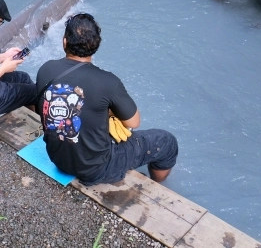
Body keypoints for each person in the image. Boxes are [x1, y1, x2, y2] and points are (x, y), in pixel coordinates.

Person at [36, 13, 178, 185]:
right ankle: (157, 186)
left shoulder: (46, 69)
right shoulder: (108, 82)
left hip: (58, 159)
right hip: (97, 169)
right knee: (166, 142)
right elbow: (133, 122)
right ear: (96, 45)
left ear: (64, 42)